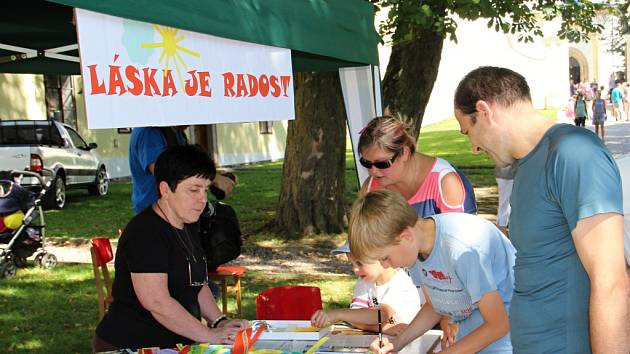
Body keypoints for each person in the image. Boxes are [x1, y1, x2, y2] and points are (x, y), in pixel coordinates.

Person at [453, 66, 629, 353]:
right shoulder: (525, 166)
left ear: (484, 111)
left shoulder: (574, 153)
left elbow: (611, 281)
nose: (473, 147)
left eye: (467, 131)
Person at [93, 145, 248, 352]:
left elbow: (197, 282)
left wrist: (218, 321)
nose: (202, 199)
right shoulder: (145, 232)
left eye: (205, 189)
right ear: (165, 189)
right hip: (129, 345)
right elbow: (157, 301)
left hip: (174, 345)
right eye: (193, 190)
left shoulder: (188, 223)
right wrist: (209, 335)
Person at [357, 115, 478, 341]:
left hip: (457, 304)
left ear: (403, 152)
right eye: (366, 163)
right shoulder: (371, 189)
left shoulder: (445, 183)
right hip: (412, 304)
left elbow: (462, 259)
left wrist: (446, 316)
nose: (373, 171)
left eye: (382, 163)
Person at [349, 190, 515, 354]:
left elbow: (498, 325)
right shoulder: (415, 250)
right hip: (474, 334)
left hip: (512, 337)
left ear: (406, 237)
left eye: (385, 257)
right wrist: (397, 344)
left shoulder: (461, 250)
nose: (385, 266)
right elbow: (434, 306)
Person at [310, 241, 421, 335]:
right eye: (352, 264)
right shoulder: (364, 280)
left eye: (359, 263)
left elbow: (382, 314)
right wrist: (383, 328)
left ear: (382, 257)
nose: (355, 270)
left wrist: (339, 314)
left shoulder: (401, 283)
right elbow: (355, 318)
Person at [129, 126, 236, 214]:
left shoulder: (175, 131)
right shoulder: (148, 132)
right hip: (155, 213)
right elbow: (166, 172)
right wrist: (214, 178)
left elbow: (187, 164)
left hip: (175, 211)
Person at [494, 162, 517, 234]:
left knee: (508, 205)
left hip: (512, 174)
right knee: (505, 205)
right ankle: (501, 233)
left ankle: (503, 232)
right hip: (507, 175)